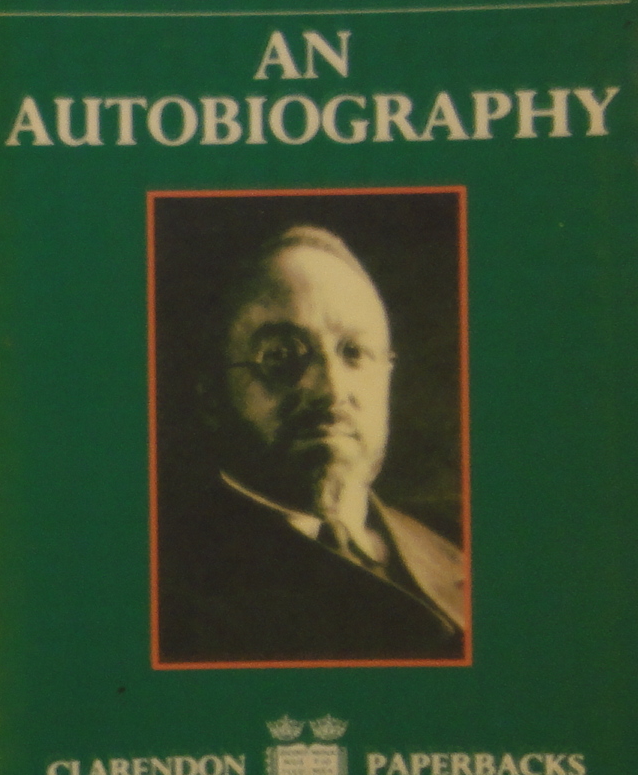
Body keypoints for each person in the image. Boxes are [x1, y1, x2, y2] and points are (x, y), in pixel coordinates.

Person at [158, 223, 467, 664]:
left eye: (354, 353)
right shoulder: (170, 585)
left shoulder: (455, 539)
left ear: (388, 373)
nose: (331, 390)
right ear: (211, 395)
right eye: (279, 356)